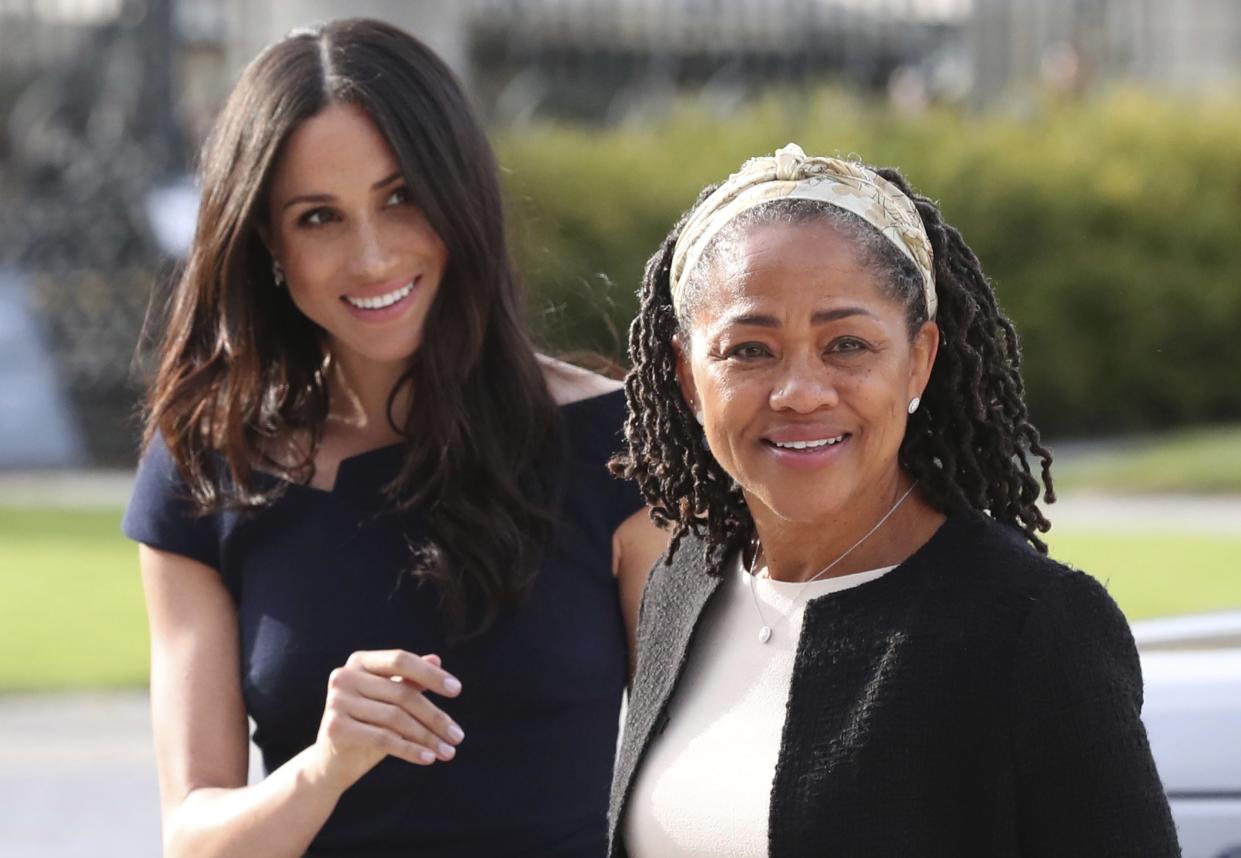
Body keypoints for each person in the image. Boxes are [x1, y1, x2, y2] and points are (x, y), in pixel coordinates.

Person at [123, 18, 667, 858]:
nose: (372, 256)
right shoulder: (207, 463)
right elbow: (194, 840)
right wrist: (324, 767)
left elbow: (712, 786)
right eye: (317, 218)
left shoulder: (622, 448)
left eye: (401, 195)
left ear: (460, 196)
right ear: (266, 241)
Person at [607, 143, 1180, 856]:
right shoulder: (680, 586)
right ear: (687, 377)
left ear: (919, 358)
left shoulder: (1029, 626)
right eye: (748, 350)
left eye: (846, 344)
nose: (799, 392)